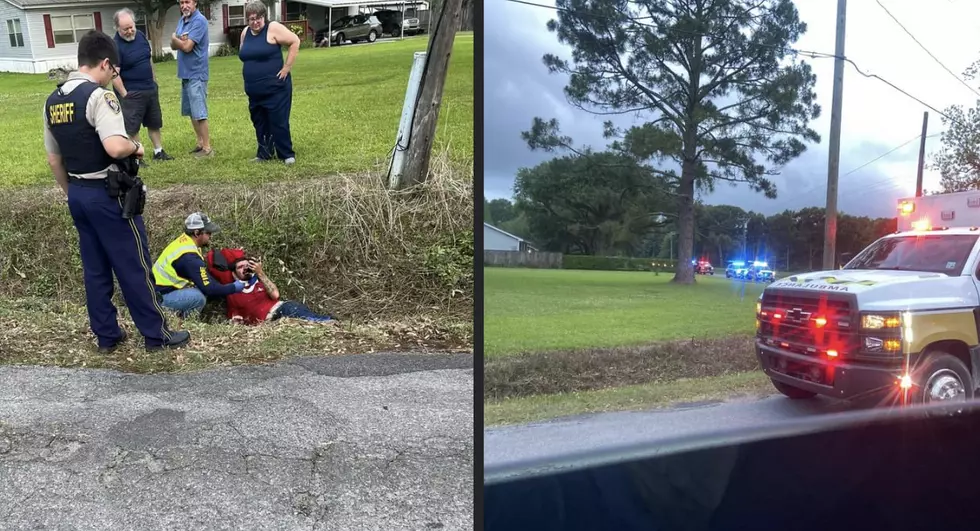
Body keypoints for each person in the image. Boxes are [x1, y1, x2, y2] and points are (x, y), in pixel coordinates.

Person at [42, 30, 190, 352]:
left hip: (78, 193)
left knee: (95, 270)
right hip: (107, 195)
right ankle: (157, 336)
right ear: (105, 63)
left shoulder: (53, 101)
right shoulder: (99, 97)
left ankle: (107, 337)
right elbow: (113, 146)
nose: (113, 77)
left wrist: (71, 191)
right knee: (134, 265)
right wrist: (136, 147)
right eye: (114, 71)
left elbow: (54, 159)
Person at [206, 248, 336, 325]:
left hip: (282, 309)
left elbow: (275, 295)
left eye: (247, 265)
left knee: (314, 321)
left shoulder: (258, 280)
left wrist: (260, 273)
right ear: (233, 273)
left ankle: (330, 321)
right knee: (308, 323)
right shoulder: (232, 289)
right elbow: (213, 259)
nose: (245, 268)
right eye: (240, 267)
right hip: (270, 323)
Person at [239, 0, 300, 164]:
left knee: (278, 121)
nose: (255, 22)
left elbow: (295, 41)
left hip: (276, 88)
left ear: (264, 17)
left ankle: (286, 154)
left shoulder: (273, 28)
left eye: (258, 18)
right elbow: (244, 55)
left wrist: (287, 67)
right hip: (254, 91)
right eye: (251, 19)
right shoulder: (245, 32)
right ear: (247, 20)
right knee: (259, 121)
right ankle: (264, 153)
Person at [152, 212, 246, 318]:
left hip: (157, 290)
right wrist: (233, 287)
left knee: (198, 289)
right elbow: (209, 289)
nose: (210, 236)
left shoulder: (186, 241)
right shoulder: (189, 258)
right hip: (158, 298)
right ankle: (183, 322)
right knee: (198, 298)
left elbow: (204, 276)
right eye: (208, 233)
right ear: (197, 233)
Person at [112, 8, 174, 167]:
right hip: (131, 93)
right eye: (125, 29)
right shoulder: (115, 46)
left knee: (154, 122)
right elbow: (114, 75)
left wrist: (154, 81)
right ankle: (137, 158)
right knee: (132, 127)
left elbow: (148, 59)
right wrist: (125, 95)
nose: (130, 31)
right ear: (117, 28)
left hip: (149, 89)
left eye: (131, 26)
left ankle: (158, 151)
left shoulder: (140, 36)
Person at [171, 0, 213, 158]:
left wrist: (176, 39)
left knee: (200, 112)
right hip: (185, 73)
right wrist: (177, 40)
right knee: (191, 111)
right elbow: (174, 44)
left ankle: (208, 148)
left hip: (197, 72)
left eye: (187, 2)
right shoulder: (182, 20)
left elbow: (187, 47)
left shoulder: (199, 21)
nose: (184, 6)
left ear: (195, 3)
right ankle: (200, 143)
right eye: (181, 3)